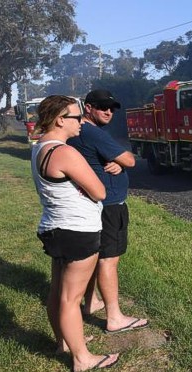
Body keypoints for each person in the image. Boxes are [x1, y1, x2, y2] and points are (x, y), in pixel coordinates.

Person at [31, 95, 120, 372]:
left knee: (57, 292)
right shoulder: (65, 152)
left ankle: (65, 343)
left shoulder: (39, 147)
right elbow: (100, 191)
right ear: (60, 119)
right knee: (71, 299)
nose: (81, 122)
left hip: (55, 228)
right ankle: (82, 359)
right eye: (75, 117)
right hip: (77, 230)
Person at [67, 89, 148, 333]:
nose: (108, 111)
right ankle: (114, 317)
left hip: (96, 204)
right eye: (102, 106)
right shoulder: (92, 132)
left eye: (112, 108)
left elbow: (121, 159)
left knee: (96, 256)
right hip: (110, 206)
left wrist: (118, 161)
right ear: (88, 107)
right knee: (108, 260)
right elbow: (131, 160)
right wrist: (122, 161)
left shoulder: (80, 132)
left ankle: (91, 302)